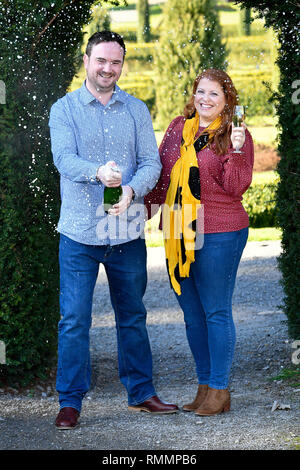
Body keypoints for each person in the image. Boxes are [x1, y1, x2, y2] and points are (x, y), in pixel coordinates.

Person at [49, 31, 178, 430]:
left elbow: (150, 164)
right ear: (86, 61)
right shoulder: (64, 109)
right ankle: (70, 403)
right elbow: (63, 159)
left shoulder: (137, 109)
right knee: (74, 320)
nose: (108, 69)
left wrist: (132, 189)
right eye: (101, 60)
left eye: (116, 62)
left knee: (133, 316)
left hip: (126, 233)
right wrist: (97, 173)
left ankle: (141, 392)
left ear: (123, 64)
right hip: (79, 234)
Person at [145, 68, 254, 416]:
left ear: (227, 101)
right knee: (192, 315)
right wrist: (137, 209)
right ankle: (205, 385)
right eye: (200, 92)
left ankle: (220, 391)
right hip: (178, 228)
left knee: (216, 311)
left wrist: (236, 151)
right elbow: (162, 177)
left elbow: (236, 186)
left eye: (214, 95)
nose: (205, 100)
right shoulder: (179, 127)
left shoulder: (234, 134)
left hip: (220, 229)